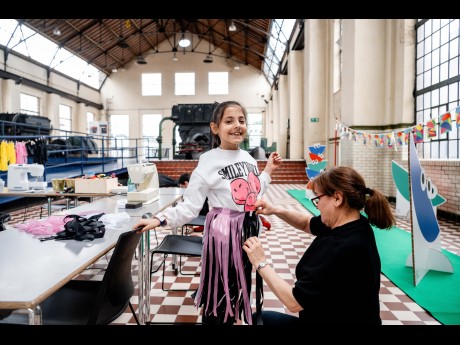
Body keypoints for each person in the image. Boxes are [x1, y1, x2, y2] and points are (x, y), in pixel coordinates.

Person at [133, 100, 282, 325]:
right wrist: (160, 219)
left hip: (248, 231)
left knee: (238, 284)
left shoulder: (248, 158)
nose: (237, 126)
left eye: (241, 121)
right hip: (224, 234)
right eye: (229, 121)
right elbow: (190, 206)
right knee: (220, 291)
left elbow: (254, 189)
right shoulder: (208, 160)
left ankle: (233, 319)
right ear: (215, 128)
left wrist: (269, 170)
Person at [242, 166, 395, 325]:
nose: (317, 205)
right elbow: (306, 223)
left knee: (260, 320)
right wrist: (275, 210)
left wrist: (261, 262)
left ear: (337, 198)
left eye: (318, 199)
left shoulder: (341, 247)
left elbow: (294, 302)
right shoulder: (354, 223)